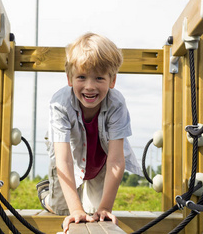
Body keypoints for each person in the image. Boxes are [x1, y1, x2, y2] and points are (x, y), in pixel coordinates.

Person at [36, 33, 142, 233]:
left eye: (99, 78)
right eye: (82, 77)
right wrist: (75, 209)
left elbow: (116, 160)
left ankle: (92, 205)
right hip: (69, 158)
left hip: (102, 161)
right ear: (69, 78)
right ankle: (46, 193)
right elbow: (64, 160)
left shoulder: (116, 104)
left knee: (95, 213)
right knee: (62, 209)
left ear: (112, 80)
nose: (90, 86)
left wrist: (105, 208)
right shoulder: (60, 103)